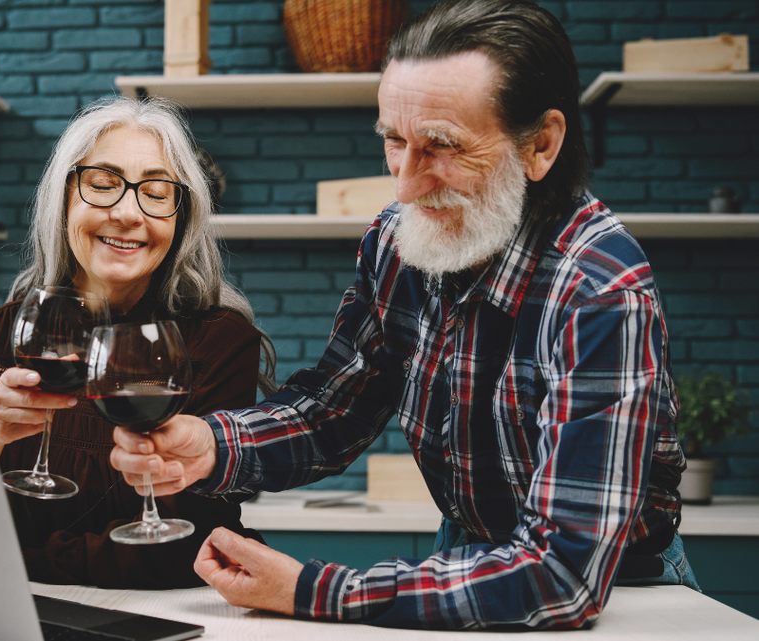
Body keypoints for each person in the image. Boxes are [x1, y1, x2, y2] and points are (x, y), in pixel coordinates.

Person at [111, 0, 695, 629]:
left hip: (621, 595)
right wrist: (211, 446)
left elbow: (563, 574)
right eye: (394, 140)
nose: (405, 186)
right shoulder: (397, 241)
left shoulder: (600, 289)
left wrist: (315, 590)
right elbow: (334, 411)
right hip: (464, 559)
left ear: (541, 145)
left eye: (441, 146)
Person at [0, 96, 276, 589]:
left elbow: (183, 546)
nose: (126, 213)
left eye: (157, 193)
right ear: (64, 199)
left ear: (180, 218)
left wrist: (13, 562)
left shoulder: (218, 344)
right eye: (102, 185)